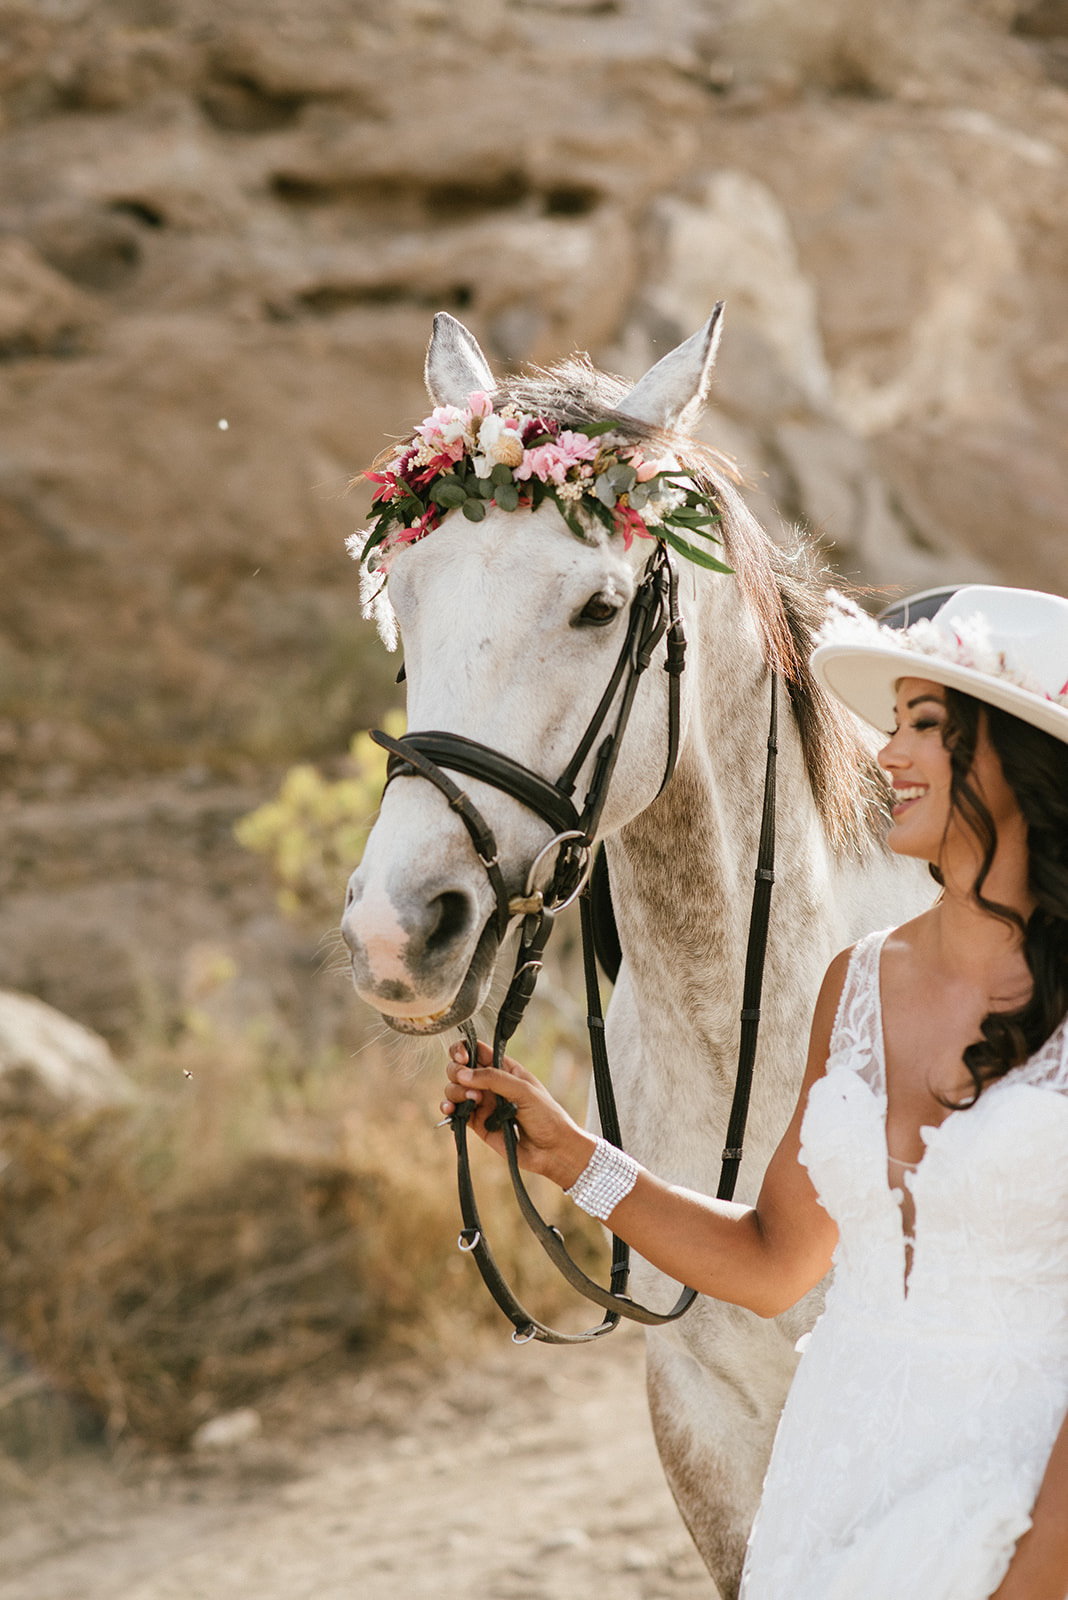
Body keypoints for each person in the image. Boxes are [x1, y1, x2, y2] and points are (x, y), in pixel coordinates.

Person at [440, 584, 1068, 1600]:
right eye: (893, 722)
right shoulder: (859, 983)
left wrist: (1032, 1572)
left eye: (925, 725)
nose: (885, 755)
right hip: (835, 1489)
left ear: (1020, 761)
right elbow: (777, 1261)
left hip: (1017, 1495)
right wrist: (570, 1158)